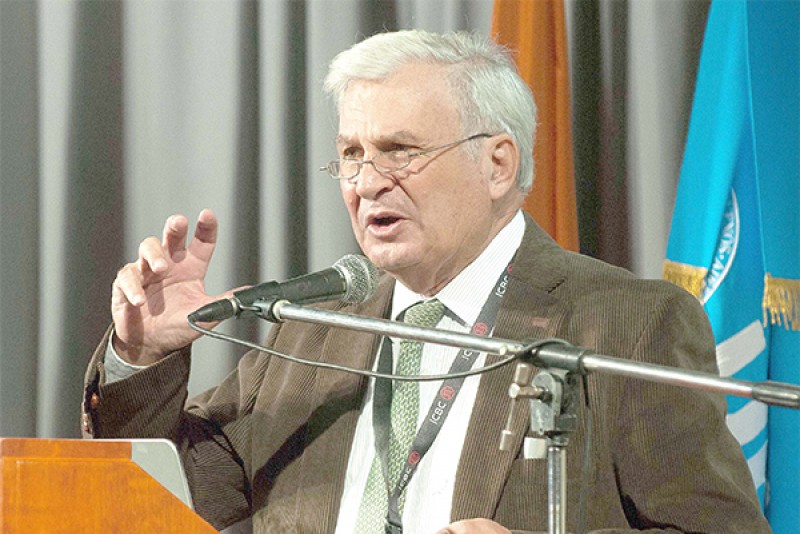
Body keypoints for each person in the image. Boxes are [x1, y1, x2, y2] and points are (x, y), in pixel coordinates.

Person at [82, 30, 770, 533]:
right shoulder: (312, 329)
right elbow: (163, 499)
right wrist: (142, 356)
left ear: (498, 164)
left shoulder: (628, 324)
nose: (365, 183)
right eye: (351, 154)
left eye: (399, 151)